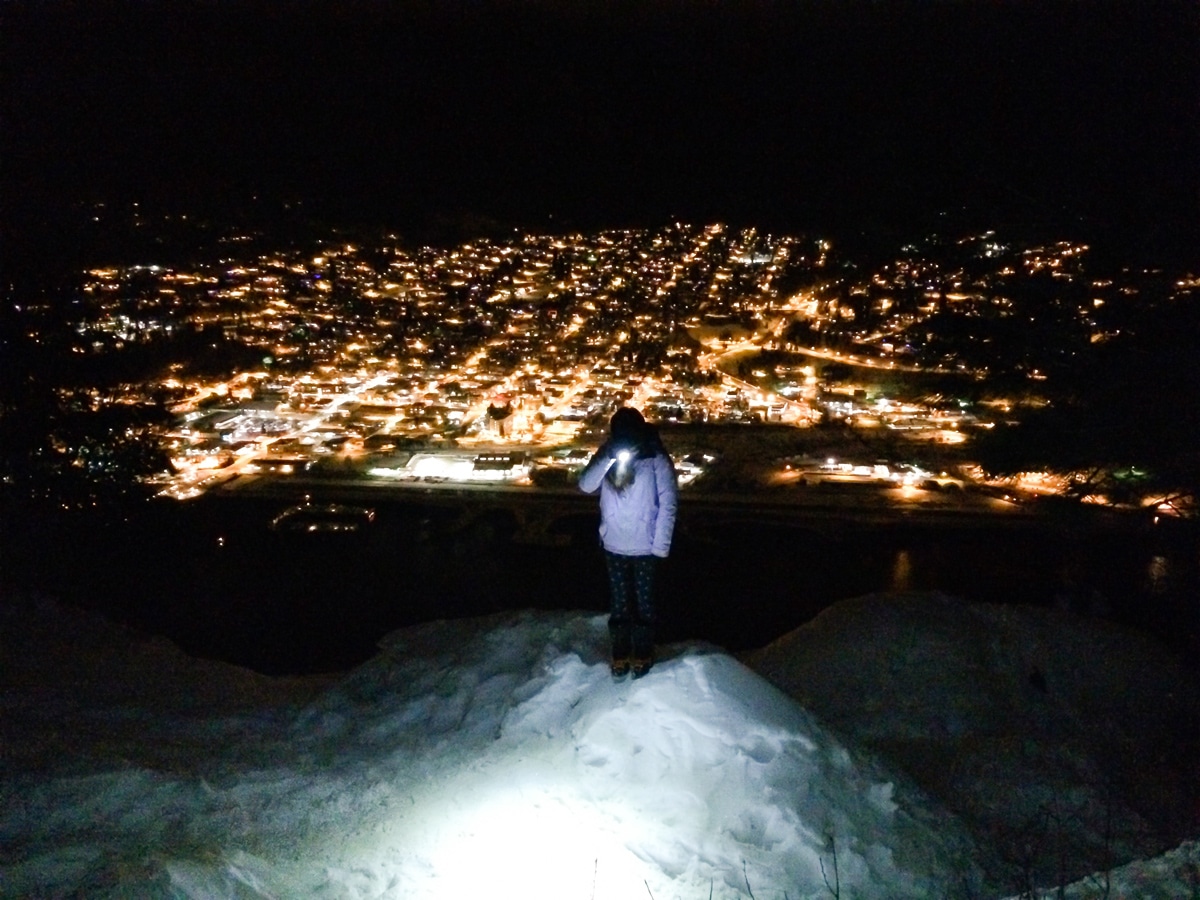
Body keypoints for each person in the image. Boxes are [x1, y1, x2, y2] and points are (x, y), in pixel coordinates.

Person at [578, 406, 678, 677]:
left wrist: (660, 546)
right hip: (613, 543)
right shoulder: (609, 453)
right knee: (619, 602)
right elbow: (586, 485)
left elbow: (668, 503)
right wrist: (609, 456)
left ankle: (643, 652)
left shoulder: (656, 457)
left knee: (644, 602)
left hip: (645, 545)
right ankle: (621, 653)